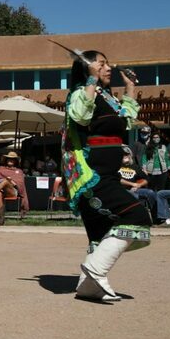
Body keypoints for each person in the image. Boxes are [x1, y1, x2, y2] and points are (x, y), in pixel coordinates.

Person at [61, 49, 151, 302]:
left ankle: (88, 287)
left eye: (108, 63)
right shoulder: (81, 93)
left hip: (108, 174)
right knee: (137, 215)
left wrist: (130, 87)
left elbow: (127, 119)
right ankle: (95, 270)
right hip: (93, 175)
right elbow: (80, 116)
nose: (109, 68)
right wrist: (90, 80)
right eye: (102, 64)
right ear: (89, 68)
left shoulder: (107, 98)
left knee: (101, 233)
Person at [118, 146, 157, 218]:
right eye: (122, 154)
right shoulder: (116, 166)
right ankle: (136, 218)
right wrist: (133, 184)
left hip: (133, 189)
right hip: (120, 190)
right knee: (134, 195)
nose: (125, 156)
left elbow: (147, 179)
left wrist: (139, 185)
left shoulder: (135, 167)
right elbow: (117, 179)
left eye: (126, 154)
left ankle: (156, 218)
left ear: (130, 155)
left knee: (150, 192)